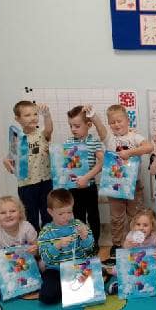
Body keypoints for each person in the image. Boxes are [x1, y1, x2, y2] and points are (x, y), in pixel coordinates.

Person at [90, 104, 156, 257]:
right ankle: (118, 245)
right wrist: (93, 116)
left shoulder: (134, 137)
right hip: (114, 186)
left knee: (136, 216)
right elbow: (100, 127)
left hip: (134, 186)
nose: (116, 124)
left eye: (119, 121)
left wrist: (130, 152)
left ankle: (137, 242)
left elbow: (149, 147)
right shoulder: (109, 139)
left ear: (127, 120)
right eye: (112, 122)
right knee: (117, 218)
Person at [3, 101, 53, 232]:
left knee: (47, 214)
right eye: (27, 115)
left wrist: (46, 115)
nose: (33, 117)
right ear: (17, 119)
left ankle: (47, 239)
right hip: (26, 185)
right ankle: (33, 240)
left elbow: (49, 129)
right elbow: (11, 158)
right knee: (31, 216)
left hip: (45, 181)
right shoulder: (17, 138)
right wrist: (6, 161)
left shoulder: (42, 134)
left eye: (35, 114)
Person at [37, 189, 94, 305]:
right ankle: (67, 289)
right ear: (50, 212)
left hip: (78, 268)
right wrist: (57, 246)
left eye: (69, 212)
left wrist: (85, 237)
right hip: (55, 270)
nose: (66, 217)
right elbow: (45, 258)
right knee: (47, 297)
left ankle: (68, 289)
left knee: (96, 282)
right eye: (61, 214)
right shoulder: (46, 231)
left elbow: (89, 248)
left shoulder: (78, 225)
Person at [66, 105, 103, 252]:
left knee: (93, 216)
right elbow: (66, 165)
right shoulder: (69, 142)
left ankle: (94, 243)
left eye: (77, 126)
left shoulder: (94, 142)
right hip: (74, 188)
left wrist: (87, 177)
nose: (73, 129)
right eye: (71, 126)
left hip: (89, 187)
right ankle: (82, 243)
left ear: (88, 125)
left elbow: (102, 163)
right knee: (78, 217)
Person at [106, 209, 156, 295]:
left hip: (148, 267)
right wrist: (128, 245)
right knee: (116, 269)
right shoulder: (131, 235)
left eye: (145, 225)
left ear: (152, 226)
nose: (141, 228)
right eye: (138, 224)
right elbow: (125, 251)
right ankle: (117, 284)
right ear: (134, 225)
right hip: (134, 265)